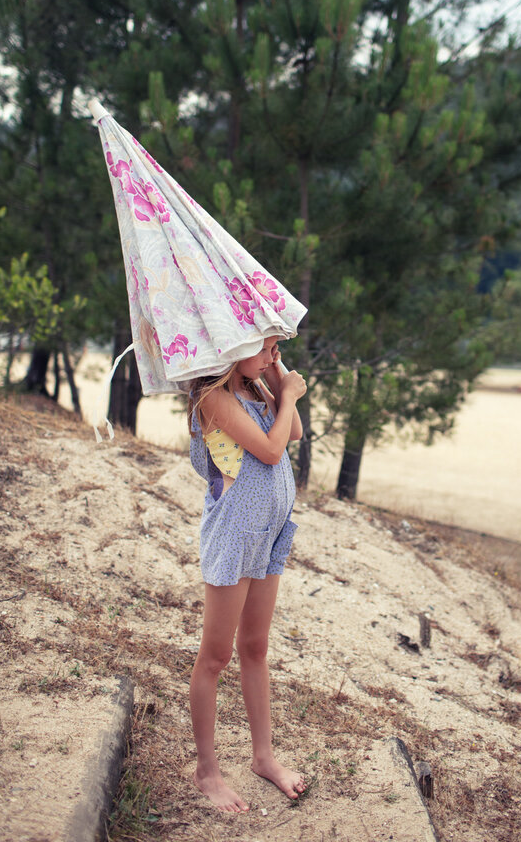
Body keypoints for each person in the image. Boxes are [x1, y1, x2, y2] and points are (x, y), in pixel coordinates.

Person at [187, 335, 307, 813]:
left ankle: (264, 757)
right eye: (265, 347)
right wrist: (291, 394)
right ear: (230, 346)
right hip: (237, 533)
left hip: (271, 530)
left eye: (277, 347)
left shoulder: (257, 388)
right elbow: (273, 450)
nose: (272, 354)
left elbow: (292, 431)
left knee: (255, 647)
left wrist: (276, 379)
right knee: (215, 656)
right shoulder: (213, 398)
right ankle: (207, 771)